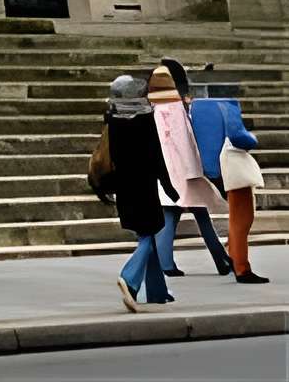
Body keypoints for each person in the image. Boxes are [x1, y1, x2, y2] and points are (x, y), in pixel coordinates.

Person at [148, 62, 232, 278]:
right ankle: (221, 260)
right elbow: (183, 142)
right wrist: (193, 170)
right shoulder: (176, 107)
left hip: (166, 172)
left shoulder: (154, 109)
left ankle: (168, 263)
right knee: (199, 215)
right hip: (184, 171)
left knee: (171, 215)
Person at [186, 69, 268, 284]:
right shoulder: (227, 105)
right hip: (232, 164)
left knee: (236, 217)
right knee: (242, 218)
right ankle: (242, 267)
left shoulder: (197, 107)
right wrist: (253, 139)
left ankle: (233, 255)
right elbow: (238, 135)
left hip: (212, 166)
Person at [105, 71, 178, 309]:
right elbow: (157, 157)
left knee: (146, 232)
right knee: (149, 233)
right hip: (144, 185)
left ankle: (157, 291)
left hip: (123, 185)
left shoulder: (112, 120)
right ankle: (129, 278)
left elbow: (112, 155)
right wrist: (170, 187)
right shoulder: (145, 120)